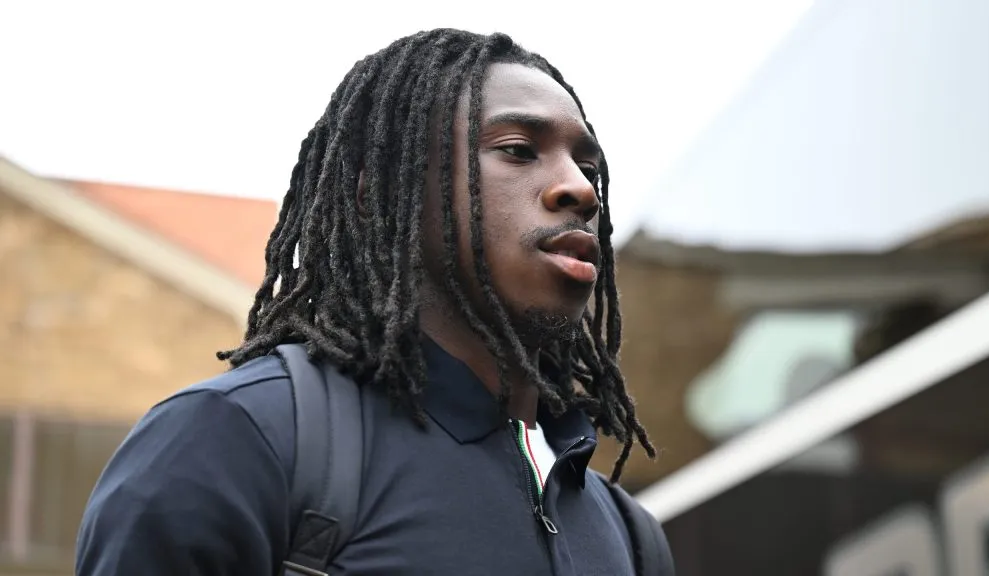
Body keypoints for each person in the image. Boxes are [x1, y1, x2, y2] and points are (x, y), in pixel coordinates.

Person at [76, 28, 670, 575]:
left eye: (588, 166)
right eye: (518, 149)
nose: (581, 190)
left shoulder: (631, 536)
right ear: (378, 193)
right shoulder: (234, 440)